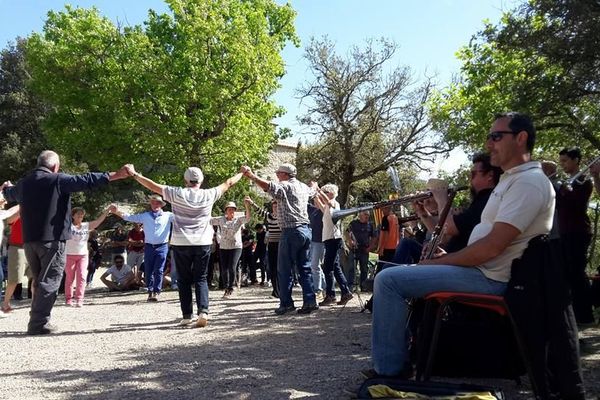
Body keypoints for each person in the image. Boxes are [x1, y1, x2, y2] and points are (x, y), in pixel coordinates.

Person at [369, 112, 554, 378]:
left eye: (496, 136)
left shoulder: (529, 182)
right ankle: (404, 358)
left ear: (521, 138)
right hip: (483, 271)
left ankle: (390, 372)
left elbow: (491, 247)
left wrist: (440, 261)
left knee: (388, 281)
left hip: (492, 278)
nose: (489, 143)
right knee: (395, 277)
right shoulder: (512, 180)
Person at [0, 150, 130, 334]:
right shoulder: (57, 180)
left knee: (39, 280)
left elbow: (9, 194)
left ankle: (36, 318)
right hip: (52, 240)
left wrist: (6, 188)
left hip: (29, 241)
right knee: (49, 281)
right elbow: (87, 180)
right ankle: (39, 324)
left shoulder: (25, 183)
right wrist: (116, 175)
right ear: (55, 166)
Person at [125, 164, 243, 328]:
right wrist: (242, 173)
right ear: (201, 181)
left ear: (185, 180)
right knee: (201, 278)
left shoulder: (176, 193)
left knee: (184, 279)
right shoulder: (209, 194)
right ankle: (203, 311)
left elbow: (152, 185)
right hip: (202, 242)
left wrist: (134, 174)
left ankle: (187, 315)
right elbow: (229, 183)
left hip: (181, 242)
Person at [241, 163, 318, 315]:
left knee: (284, 269)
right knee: (305, 268)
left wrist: (251, 176)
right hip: (305, 230)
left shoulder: (284, 186)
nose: (277, 175)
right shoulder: (302, 187)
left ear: (285, 174)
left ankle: (287, 303)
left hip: (290, 231)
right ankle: (310, 301)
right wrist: (314, 185)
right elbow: (312, 192)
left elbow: (269, 187)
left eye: (278, 172)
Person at [556, 147, 595, 325]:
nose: (562, 165)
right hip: (564, 232)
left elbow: (577, 203)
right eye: (561, 161)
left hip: (578, 232)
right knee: (567, 273)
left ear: (576, 160)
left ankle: (585, 316)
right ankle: (571, 314)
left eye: (565, 161)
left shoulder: (584, 181)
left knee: (577, 273)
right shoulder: (567, 182)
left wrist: (564, 189)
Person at [113, 195, 174, 302]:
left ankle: (156, 291)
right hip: (149, 246)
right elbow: (129, 217)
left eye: (157, 203)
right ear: (151, 204)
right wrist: (116, 211)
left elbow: (184, 218)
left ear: (161, 205)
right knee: (148, 269)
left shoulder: (168, 216)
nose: (155, 205)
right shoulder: (145, 216)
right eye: (153, 203)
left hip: (162, 246)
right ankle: (150, 291)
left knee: (159, 270)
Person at [64, 205, 114, 307]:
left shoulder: (86, 226)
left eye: (82, 215)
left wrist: (107, 211)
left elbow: (98, 221)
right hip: (69, 255)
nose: (80, 217)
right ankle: (69, 299)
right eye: (78, 215)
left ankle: (79, 299)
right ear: (73, 216)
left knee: (82, 276)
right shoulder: (68, 226)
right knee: (70, 278)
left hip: (82, 255)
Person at [314, 184, 353, 306]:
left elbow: (328, 203)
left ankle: (331, 295)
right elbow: (319, 205)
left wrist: (319, 190)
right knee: (335, 267)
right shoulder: (327, 207)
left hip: (333, 239)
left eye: (325, 192)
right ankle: (345, 292)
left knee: (328, 268)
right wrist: (315, 194)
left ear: (330, 194)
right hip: (329, 239)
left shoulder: (334, 204)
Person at [211, 198, 251, 298]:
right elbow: (209, 220)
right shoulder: (221, 219)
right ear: (226, 211)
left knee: (232, 267)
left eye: (233, 209)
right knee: (224, 269)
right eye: (229, 209)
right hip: (224, 247)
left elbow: (248, 218)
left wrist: (247, 206)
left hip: (236, 247)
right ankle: (226, 288)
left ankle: (230, 288)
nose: (231, 211)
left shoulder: (238, 220)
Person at [249, 199, 282, 298]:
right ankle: (275, 291)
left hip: (281, 244)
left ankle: (281, 290)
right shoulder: (269, 216)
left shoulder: (283, 217)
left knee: (281, 268)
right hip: (271, 244)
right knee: (272, 268)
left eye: (277, 206)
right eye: (274, 206)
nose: (275, 208)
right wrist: (252, 203)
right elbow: (259, 211)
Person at [0, 202, 21, 314]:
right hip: (16, 246)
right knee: (10, 278)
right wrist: (23, 206)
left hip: (32, 244)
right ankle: (5, 304)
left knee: (0, 277)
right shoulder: (5, 213)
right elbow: (10, 218)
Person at [347, 210, 375, 291]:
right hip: (354, 249)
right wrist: (350, 241)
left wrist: (370, 247)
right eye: (365, 214)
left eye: (368, 215)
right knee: (351, 268)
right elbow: (348, 233)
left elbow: (374, 237)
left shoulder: (370, 225)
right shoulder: (353, 223)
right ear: (360, 215)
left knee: (364, 269)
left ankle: (363, 286)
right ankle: (350, 287)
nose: (367, 216)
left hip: (365, 250)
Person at [307, 200, 326, 302]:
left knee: (315, 265)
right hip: (312, 240)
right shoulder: (312, 210)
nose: (315, 202)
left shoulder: (324, 210)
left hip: (320, 241)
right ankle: (324, 288)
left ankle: (318, 289)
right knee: (315, 266)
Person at [377, 205, 399, 270]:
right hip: (395, 247)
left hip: (386, 248)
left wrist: (381, 248)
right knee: (391, 267)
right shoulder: (395, 218)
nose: (382, 212)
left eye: (383, 210)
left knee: (382, 268)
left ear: (387, 208)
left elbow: (385, 234)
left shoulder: (386, 218)